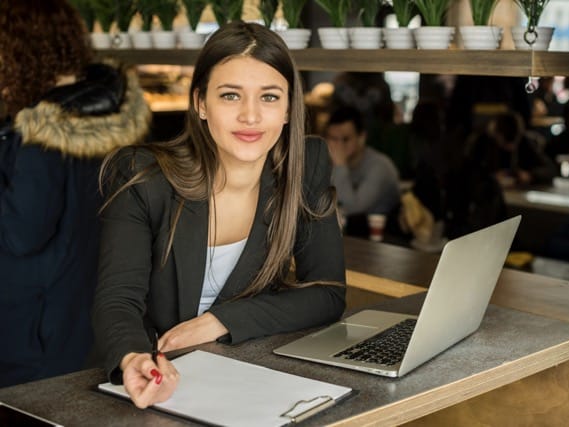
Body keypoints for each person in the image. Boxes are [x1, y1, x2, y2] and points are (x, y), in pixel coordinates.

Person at [92, 22, 346, 409]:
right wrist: (133, 359)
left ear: (289, 107)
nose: (250, 116)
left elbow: (327, 292)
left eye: (269, 97)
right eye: (230, 96)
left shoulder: (305, 166)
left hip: (247, 380)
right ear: (200, 103)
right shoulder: (143, 177)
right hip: (159, 380)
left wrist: (222, 321)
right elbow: (117, 301)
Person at [0, 0, 151, 387]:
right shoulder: (99, 109)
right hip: (75, 318)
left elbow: (21, 232)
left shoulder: (38, 132)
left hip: (28, 331)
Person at [324, 106, 401, 221]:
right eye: (333, 139)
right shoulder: (328, 163)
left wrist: (340, 165)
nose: (338, 146)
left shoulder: (380, 166)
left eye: (345, 139)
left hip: (383, 235)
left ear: (361, 138)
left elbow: (353, 209)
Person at [469, 111, 557, 189]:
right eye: (505, 143)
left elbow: (550, 169)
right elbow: (469, 173)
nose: (511, 148)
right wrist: (492, 178)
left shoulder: (522, 141)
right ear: (496, 134)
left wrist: (530, 176)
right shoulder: (481, 142)